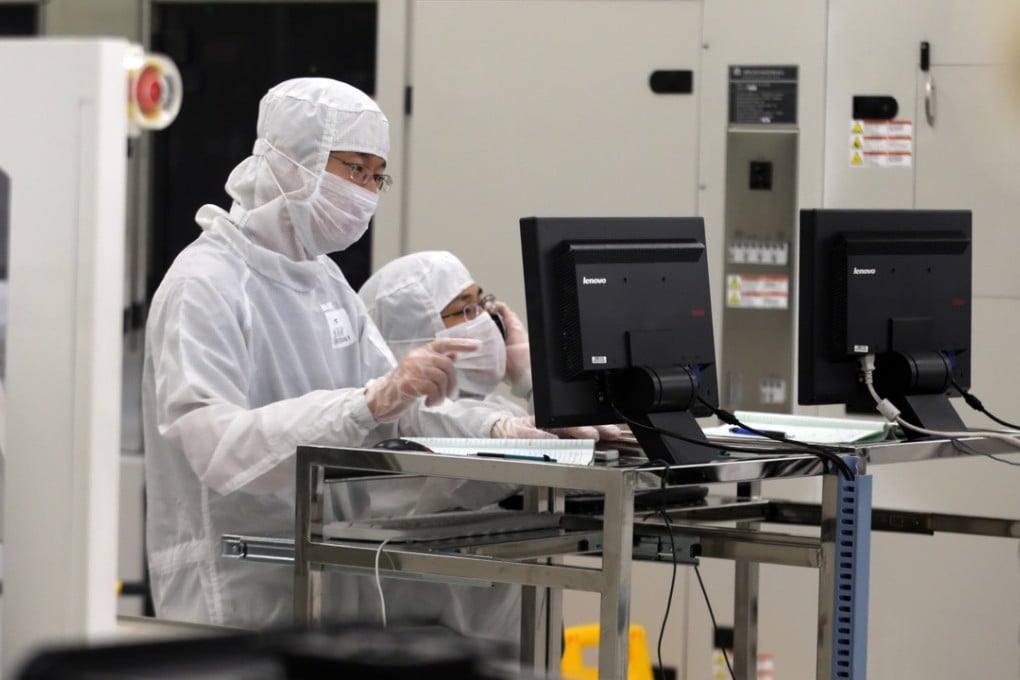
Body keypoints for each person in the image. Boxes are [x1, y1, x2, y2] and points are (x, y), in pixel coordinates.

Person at [141, 78, 573, 632]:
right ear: (292, 159)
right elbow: (219, 449)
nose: (366, 190)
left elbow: (403, 404)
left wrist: (504, 430)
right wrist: (364, 405)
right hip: (238, 583)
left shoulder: (324, 281)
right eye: (354, 168)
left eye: (377, 176)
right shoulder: (205, 284)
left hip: (328, 571)